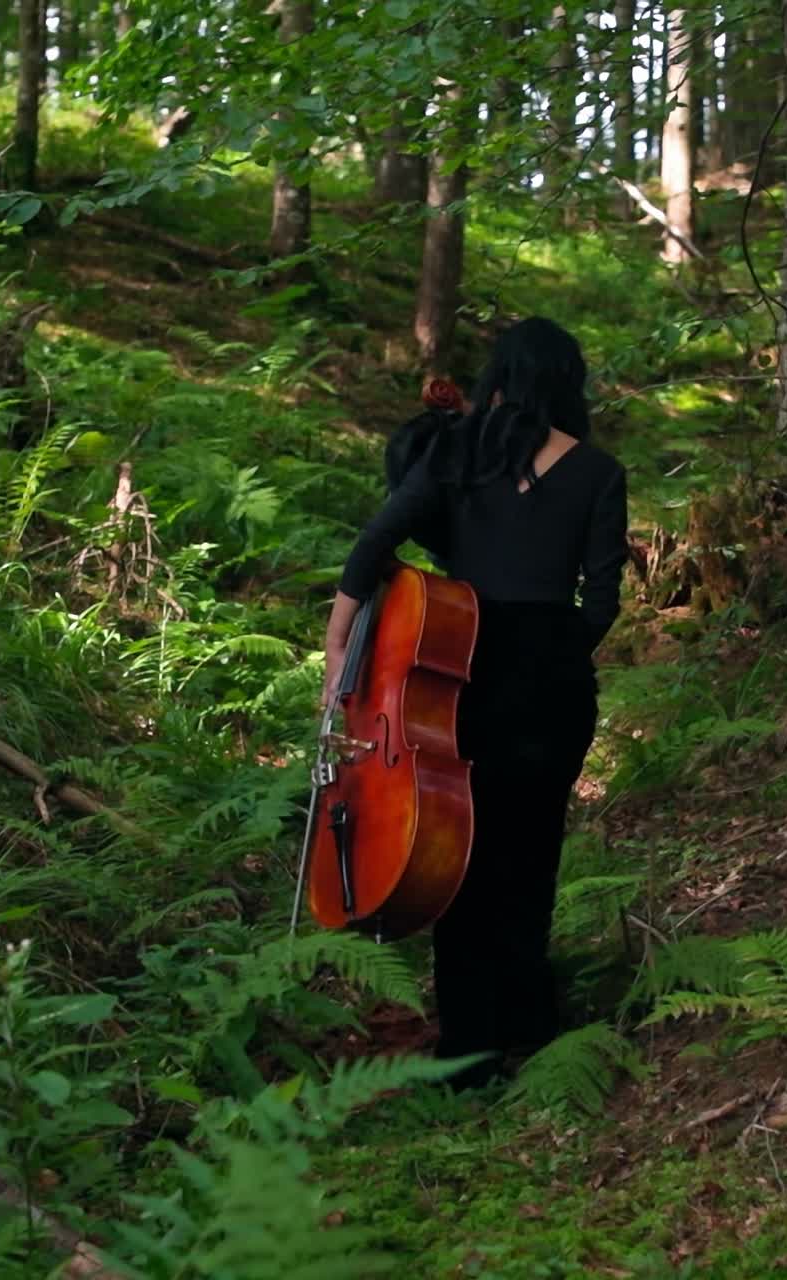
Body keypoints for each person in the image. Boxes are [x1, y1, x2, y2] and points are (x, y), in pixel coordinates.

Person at [325, 317, 629, 1087]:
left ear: (501, 374)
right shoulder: (599, 472)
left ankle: (468, 1050)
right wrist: (554, 654)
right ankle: (529, 1019)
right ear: (569, 384)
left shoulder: (456, 451)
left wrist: (338, 652)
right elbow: (601, 601)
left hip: (458, 675)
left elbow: (374, 547)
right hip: (553, 683)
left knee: (459, 860)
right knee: (532, 853)